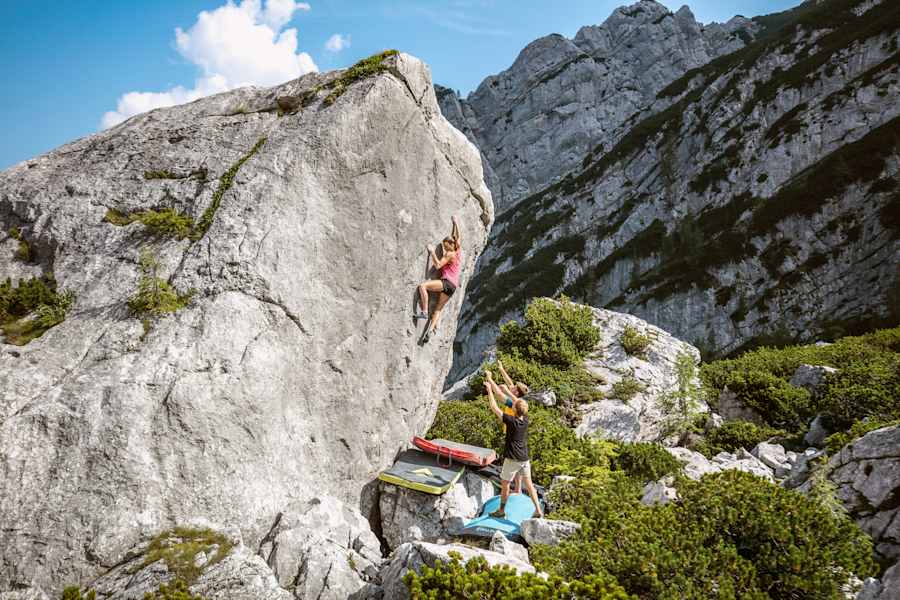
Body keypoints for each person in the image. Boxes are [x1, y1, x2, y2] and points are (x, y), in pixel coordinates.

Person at [484, 370, 543, 519]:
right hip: (524, 458)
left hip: (512, 458)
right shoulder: (525, 420)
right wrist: (508, 392)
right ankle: (538, 510)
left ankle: (501, 511)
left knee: (505, 484)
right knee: (529, 485)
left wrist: (490, 390)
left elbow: (494, 407)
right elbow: (518, 403)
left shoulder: (511, 421)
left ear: (514, 410)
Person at [484, 359, 530, 494]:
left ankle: (514, 488)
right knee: (518, 462)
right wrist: (501, 368)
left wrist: (490, 379)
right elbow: (509, 383)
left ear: (516, 393)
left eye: (515, 388)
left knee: (512, 460)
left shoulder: (513, 404)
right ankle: (518, 489)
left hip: (511, 431)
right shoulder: (520, 402)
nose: (512, 386)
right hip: (518, 433)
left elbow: (498, 394)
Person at [414, 216, 461, 343]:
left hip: (447, 282)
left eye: (446, 246)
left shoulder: (450, 254)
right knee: (438, 309)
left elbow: (438, 265)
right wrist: (455, 223)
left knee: (423, 286)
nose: (445, 249)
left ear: (451, 245)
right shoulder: (457, 250)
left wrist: (432, 252)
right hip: (453, 287)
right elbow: (457, 236)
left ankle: (423, 311)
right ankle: (429, 331)